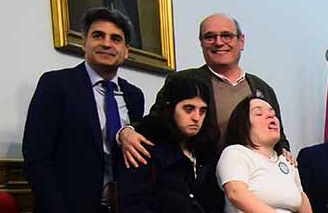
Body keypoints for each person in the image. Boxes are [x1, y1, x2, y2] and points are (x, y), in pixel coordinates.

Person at [23, 7, 145, 213]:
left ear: (126, 51)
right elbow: (37, 158)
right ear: (84, 43)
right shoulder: (56, 85)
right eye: (98, 36)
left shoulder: (133, 96)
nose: (107, 44)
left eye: (116, 39)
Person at [119, 13, 288, 167]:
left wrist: (285, 155)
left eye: (226, 35)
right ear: (201, 43)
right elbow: (157, 122)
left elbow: (279, 137)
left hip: (257, 181)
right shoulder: (184, 81)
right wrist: (127, 131)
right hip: (205, 185)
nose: (219, 42)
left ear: (241, 41)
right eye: (210, 37)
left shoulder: (262, 88)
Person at [116, 77, 222, 213]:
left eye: (202, 111)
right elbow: (135, 208)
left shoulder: (205, 148)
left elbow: (211, 201)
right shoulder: (145, 143)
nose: (196, 117)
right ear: (170, 108)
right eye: (188, 109)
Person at [217, 96, 314, 213]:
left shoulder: (286, 160)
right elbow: (236, 193)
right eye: (259, 113)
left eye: (272, 113)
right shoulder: (235, 152)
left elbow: (301, 198)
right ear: (243, 124)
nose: (270, 116)